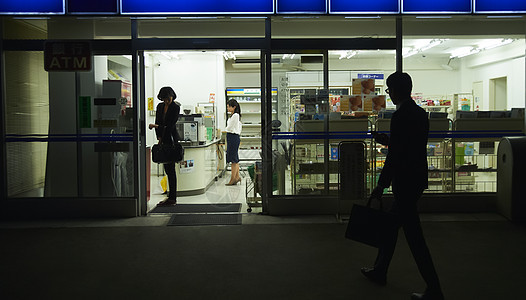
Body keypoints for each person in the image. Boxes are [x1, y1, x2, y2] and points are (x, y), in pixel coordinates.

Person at [361, 72, 444, 300]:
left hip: (404, 183)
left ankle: (434, 289)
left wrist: (381, 185)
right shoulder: (420, 114)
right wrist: (388, 140)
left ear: (396, 91)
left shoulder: (399, 117)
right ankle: (380, 271)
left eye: (389, 90)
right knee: (390, 230)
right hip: (416, 180)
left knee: (415, 239)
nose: (389, 94)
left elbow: (397, 155)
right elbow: (410, 146)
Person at [149, 87, 180, 206]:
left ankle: (172, 197)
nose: (167, 101)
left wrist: (157, 127)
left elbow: (170, 125)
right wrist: (159, 137)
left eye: (169, 98)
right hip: (163, 138)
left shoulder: (175, 107)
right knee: (167, 169)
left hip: (171, 140)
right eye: (165, 99)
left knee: (170, 169)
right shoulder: (160, 107)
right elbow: (159, 121)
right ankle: (171, 197)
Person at [225, 99, 242, 186]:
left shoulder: (235, 115)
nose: (227, 108)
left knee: (233, 159)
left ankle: (233, 179)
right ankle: (237, 177)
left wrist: (225, 130)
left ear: (234, 107)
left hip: (233, 137)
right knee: (235, 158)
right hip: (233, 137)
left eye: (229, 107)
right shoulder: (233, 115)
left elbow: (230, 127)